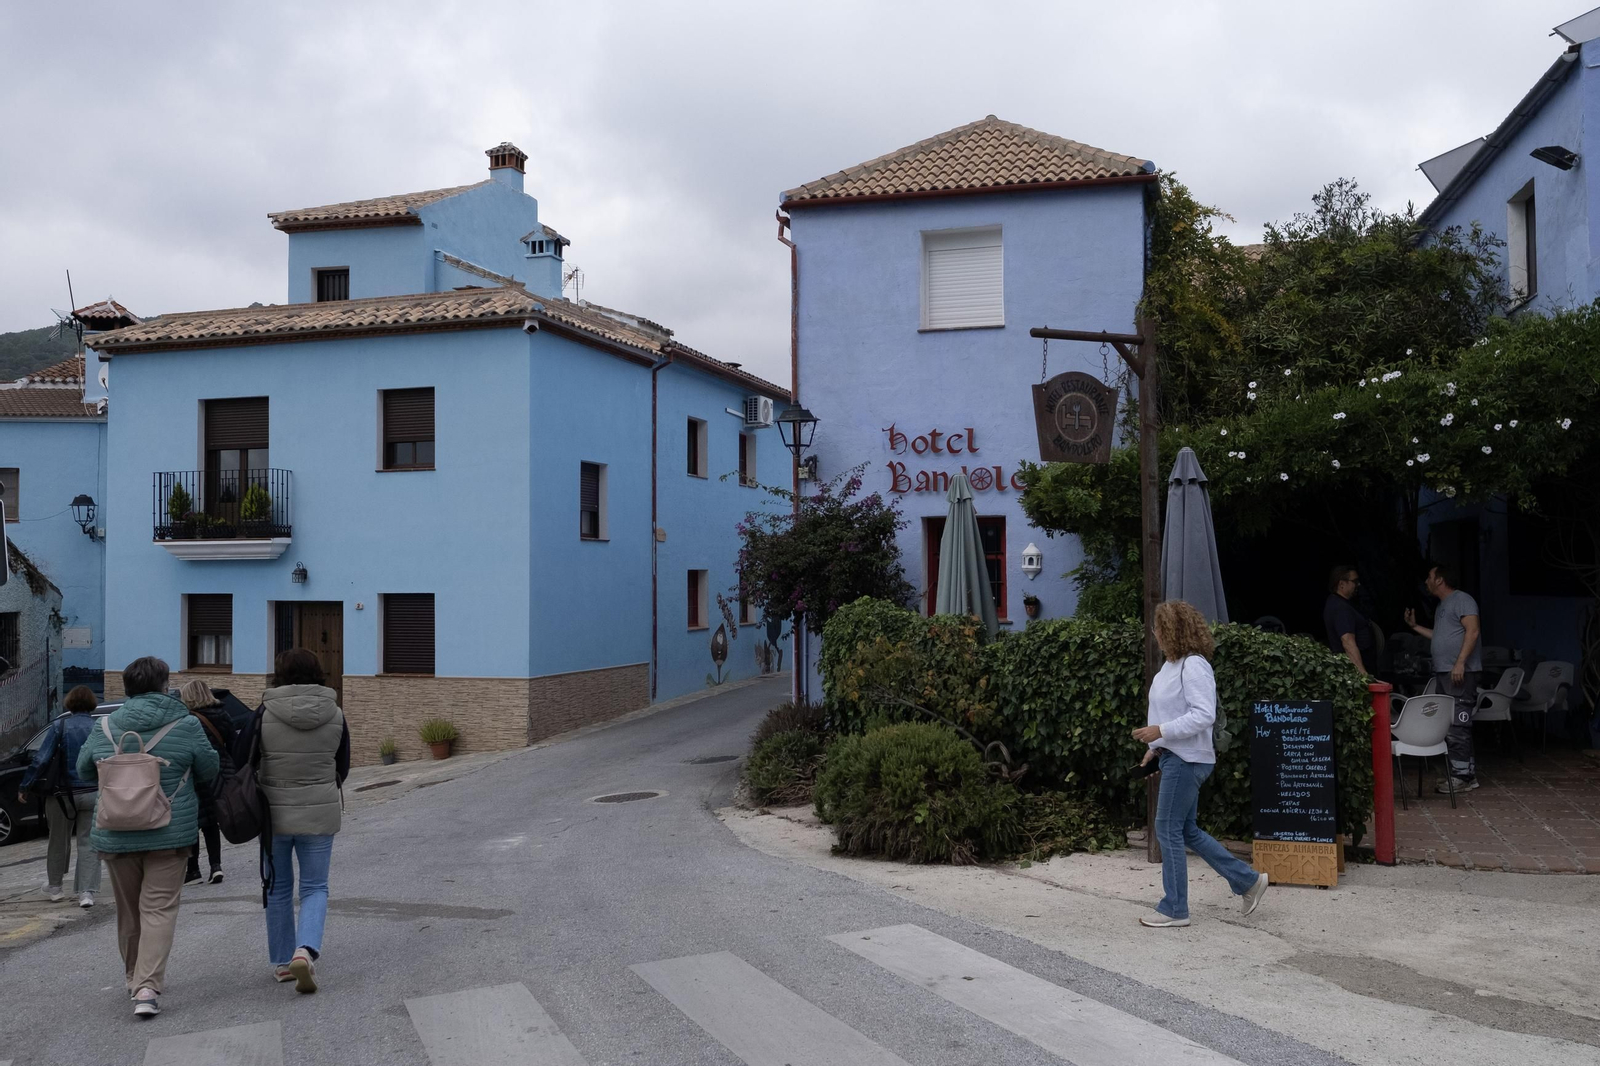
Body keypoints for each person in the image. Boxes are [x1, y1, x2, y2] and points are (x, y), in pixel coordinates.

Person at [76, 657, 219, 1019]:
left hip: (115, 831)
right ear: (163, 685)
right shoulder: (185, 723)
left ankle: (131, 979)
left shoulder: (105, 726)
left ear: (126, 688)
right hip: (168, 831)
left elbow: (82, 768)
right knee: (158, 909)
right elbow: (210, 768)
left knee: (129, 912)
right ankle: (147, 987)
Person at [1131, 600, 1270, 928]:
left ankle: (1175, 909)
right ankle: (1248, 881)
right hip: (1174, 757)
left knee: (1166, 828)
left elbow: (1203, 714)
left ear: (1171, 631)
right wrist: (1155, 747)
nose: (1154, 635)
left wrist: (1160, 732)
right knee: (1186, 830)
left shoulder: (1194, 665)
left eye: (1158, 629)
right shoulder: (1171, 665)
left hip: (1188, 760)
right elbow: (1168, 714)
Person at [234, 649, 349, 993]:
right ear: (318, 673)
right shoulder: (336, 714)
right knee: (315, 887)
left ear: (279, 674)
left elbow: (242, 758)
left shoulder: (263, 713)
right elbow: (342, 766)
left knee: (278, 887)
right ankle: (306, 949)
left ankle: (284, 962)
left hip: (272, 814)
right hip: (320, 810)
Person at [19, 685, 103, 908]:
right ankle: (86, 892)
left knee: (58, 839)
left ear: (70, 703)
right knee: (89, 843)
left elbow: (41, 759)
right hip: (92, 792)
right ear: (92, 704)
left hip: (61, 795)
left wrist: (25, 785)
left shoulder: (60, 725)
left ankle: (55, 887)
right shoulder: (99, 727)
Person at [1405, 563, 1482, 792]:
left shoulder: (1462, 600)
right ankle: (1467, 774)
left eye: (1429, 577)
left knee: (1457, 724)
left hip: (1460, 673)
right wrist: (1414, 626)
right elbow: (1438, 636)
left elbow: (1473, 630)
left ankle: (1461, 778)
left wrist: (1459, 663)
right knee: (1453, 723)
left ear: (1439, 580)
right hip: (1447, 673)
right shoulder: (1443, 606)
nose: (1426, 581)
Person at [178, 679, 237, 886]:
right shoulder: (223, 714)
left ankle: (193, 869)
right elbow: (233, 744)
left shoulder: (188, 720)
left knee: (194, 821)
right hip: (222, 773)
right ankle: (216, 866)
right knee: (212, 821)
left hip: (196, 775)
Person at [1323, 564, 1374, 676]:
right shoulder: (1340, 607)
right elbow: (1348, 642)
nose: (1358, 585)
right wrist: (1363, 674)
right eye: (1354, 581)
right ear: (1341, 584)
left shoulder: (1340, 603)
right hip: (1353, 671)